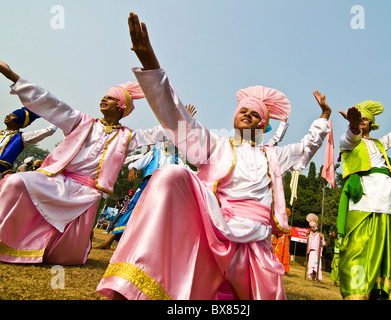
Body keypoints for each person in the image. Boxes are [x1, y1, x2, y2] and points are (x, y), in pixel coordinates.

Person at [96, 12, 331, 300]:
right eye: (243, 109)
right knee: (171, 174)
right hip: (213, 227)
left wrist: (323, 118)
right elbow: (178, 118)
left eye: (254, 113)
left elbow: (307, 146)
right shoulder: (216, 146)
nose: (246, 113)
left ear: (261, 124)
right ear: (235, 116)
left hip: (254, 242)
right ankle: (133, 284)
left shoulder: (273, 156)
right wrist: (152, 68)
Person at [0, 60, 165, 265]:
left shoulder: (128, 137)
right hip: (56, 182)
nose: (104, 99)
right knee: (14, 182)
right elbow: (51, 103)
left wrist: (179, 120)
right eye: (104, 96)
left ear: (121, 105)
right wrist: (13, 76)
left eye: (111, 98)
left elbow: (156, 133)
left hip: (86, 194)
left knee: (67, 257)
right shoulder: (81, 121)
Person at [337, 93, 391, 300]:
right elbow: (349, 138)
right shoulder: (350, 142)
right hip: (365, 200)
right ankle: (357, 292)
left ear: (371, 124)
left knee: (390, 249)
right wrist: (353, 127)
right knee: (357, 248)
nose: (360, 121)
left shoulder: (380, 144)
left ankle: (385, 292)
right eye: (357, 118)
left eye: (364, 119)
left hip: (389, 201)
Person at [0, 106, 56, 176]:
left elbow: (50, 130)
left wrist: (56, 115)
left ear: (19, 123)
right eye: (9, 114)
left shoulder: (22, 137)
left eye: (13, 116)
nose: (8, 116)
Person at [306, 213, 325, 282]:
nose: (312, 228)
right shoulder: (310, 234)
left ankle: (318, 278)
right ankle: (312, 277)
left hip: (317, 252)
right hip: (311, 251)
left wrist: (321, 239)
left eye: (313, 227)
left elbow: (324, 243)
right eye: (311, 227)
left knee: (316, 265)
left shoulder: (320, 235)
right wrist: (307, 235)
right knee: (311, 265)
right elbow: (308, 241)